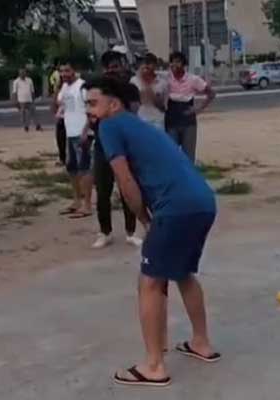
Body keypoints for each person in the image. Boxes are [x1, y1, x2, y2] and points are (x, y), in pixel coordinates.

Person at [84, 77, 220, 388]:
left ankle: (154, 366)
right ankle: (201, 343)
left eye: (93, 103)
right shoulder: (140, 125)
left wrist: (144, 219)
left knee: (149, 281)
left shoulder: (110, 127)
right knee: (182, 272)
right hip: (202, 201)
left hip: (176, 207)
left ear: (113, 104)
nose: (90, 110)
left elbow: (126, 182)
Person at [90, 50, 142, 249]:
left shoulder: (129, 89)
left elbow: (133, 113)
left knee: (127, 187)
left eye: (117, 66)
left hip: (125, 145)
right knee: (103, 190)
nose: (114, 70)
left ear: (122, 67)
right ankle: (105, 232)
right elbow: (92, 114)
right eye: (110, 67)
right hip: (103, 144)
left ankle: (131, 231)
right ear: (104, 69)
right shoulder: (96, 91)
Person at [56, 61, 93, 219]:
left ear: (74, 71)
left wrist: (86, 130)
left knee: (84, 168)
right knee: (72, 168)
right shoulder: (64, 87)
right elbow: (58, 104)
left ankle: (88, 204)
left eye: (67, 71)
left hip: (81, 132)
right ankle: (76, 200)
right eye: (62, 71)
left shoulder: (82, 86)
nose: (64, 74)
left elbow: (91, 109)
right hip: (69, 132)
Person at [165, 51, 216, 162]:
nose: (174, 65)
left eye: (177, 62)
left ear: (184, 64)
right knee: (171, 155)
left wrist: (198, 108)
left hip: (188, 121)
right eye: (172, 62)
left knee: (188, 156)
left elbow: (211, 94)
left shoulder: (193, 79)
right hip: (171, 121)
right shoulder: (166, 79)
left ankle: (188, 178)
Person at [130, 53, 168, 130]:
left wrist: (147, 85)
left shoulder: (162, 82)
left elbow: (163, 106)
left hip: (157, 120)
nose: (146, 65)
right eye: (143, 63)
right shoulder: (134, 80)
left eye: (149, 63)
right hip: (140, 120)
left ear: (155, 65)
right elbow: (132, 102)